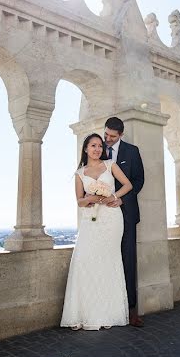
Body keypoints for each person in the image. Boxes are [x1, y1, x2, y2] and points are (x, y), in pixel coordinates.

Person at [60, 133, 133, 330]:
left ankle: (107, 314)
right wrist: (91, 197)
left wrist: (115, 197)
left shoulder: (110, 165)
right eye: (93, 145)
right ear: (85, 149)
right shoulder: (79, 174)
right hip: (90, 220)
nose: (97, 149)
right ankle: (83, 313)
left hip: (111, 218)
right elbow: (79, 201)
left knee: (109, 262)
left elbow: (128, 184)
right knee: (83, 260)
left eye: (100, 146)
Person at [103, 117, 145, 327]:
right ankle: (106, 308)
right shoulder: (96, 149)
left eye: (112, 136)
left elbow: (138, 181)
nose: (108, 139)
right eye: (106, 135)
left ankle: (131, 311)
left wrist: (121, 199)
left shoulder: (132, 151)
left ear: (121, 134)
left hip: (127, 213)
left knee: (128, 260)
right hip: (102, 216)